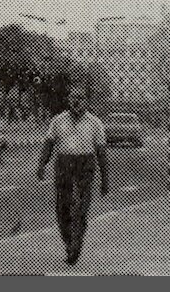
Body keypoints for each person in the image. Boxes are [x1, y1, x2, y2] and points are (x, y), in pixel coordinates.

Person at [36, 84, 110, 266]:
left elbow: (101, 152)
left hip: (85, 165)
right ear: (68, 100)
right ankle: (69, 242)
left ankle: (75, 246)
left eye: (81, 98)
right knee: (62, 209)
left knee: (80, 209)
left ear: (86, 101)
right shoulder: (58, 121)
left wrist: (105, 179)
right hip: (64, 165)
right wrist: (42, 164)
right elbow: (48, 144)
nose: (77, 101)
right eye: (73, 97)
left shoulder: (95, 123)